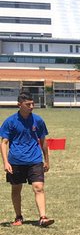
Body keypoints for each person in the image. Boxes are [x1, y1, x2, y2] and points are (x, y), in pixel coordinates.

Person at [1, 92, 53, 227]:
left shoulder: (38, 120)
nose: (31, 106)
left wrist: (46, 160)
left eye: (32, 104)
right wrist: (5, 162)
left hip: (35, 159)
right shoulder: (10, 121)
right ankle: (18, 217)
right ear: (19, 105)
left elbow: (43, 141)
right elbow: (4, 142)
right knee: (16, 189)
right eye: (28, 104)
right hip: (16, 161)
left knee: (39, 187)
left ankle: (43, 217)